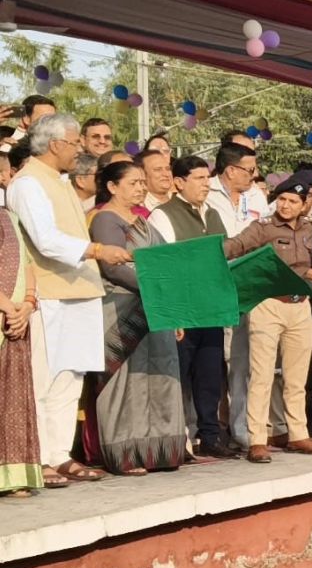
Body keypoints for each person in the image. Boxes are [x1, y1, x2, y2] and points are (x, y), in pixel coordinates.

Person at [9, 114, 131, 486]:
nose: (79, 148)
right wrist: (97, 249)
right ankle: (40, 458)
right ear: (56, 144)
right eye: (75, 142)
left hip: (80, 289)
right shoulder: (29, 182)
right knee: (44, 380)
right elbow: (44, 240)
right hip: (49, 292)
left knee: (70, 378)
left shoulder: (59, 182)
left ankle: (60, 455)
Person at [221, 174, 312, 463]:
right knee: (261, 376)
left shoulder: (309, 227)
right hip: (268, 305)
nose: (285, 205)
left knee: (296, 377)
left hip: (299, 306)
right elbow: (236, 248)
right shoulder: (263, 228)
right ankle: (257, 439)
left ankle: (298, 434)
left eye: (292, 201)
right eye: (281, 199)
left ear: (304, 204)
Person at [84, 161, 188, 475]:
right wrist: (156, 289)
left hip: (156, 311)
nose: (141, 188)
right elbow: (113, 268)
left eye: (143, 182)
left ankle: (160, 452)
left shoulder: (144, 222)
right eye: (133, 182)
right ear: (113, 187)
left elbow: (168, 262)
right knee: (126, 383)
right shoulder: (105, 219)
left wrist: (174, 308)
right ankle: (125, 456)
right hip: (121, 309)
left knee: (158, 376)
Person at [146, 156, 237, 458]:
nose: (205, 185)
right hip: (182, 310)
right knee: (178, 377)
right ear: (179, 182)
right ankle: (175, 439)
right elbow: (167, 266)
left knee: (210, 375)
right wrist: (173, 314)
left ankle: (210, 435)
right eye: (198, 179)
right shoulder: (162, 215)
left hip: (210, 308)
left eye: (207, 178)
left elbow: (225, 256)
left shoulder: (213, 213)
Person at [206, 142, 259, 448]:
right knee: (215, 362)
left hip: (248, 287)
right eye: (250, 170)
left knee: (242, 362)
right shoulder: (208, 195)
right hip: (217, 286)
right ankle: (211, 428)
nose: (254, 175)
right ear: (230, 170)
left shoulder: (257, 196)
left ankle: (241, 427)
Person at [0, 199, 44, 495]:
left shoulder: (9, 217)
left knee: (13, 398)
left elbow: (28, 262)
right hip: (6, 311)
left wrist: (27, 304)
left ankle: (15, 476)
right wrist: (5, 305)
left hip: (16, 316)